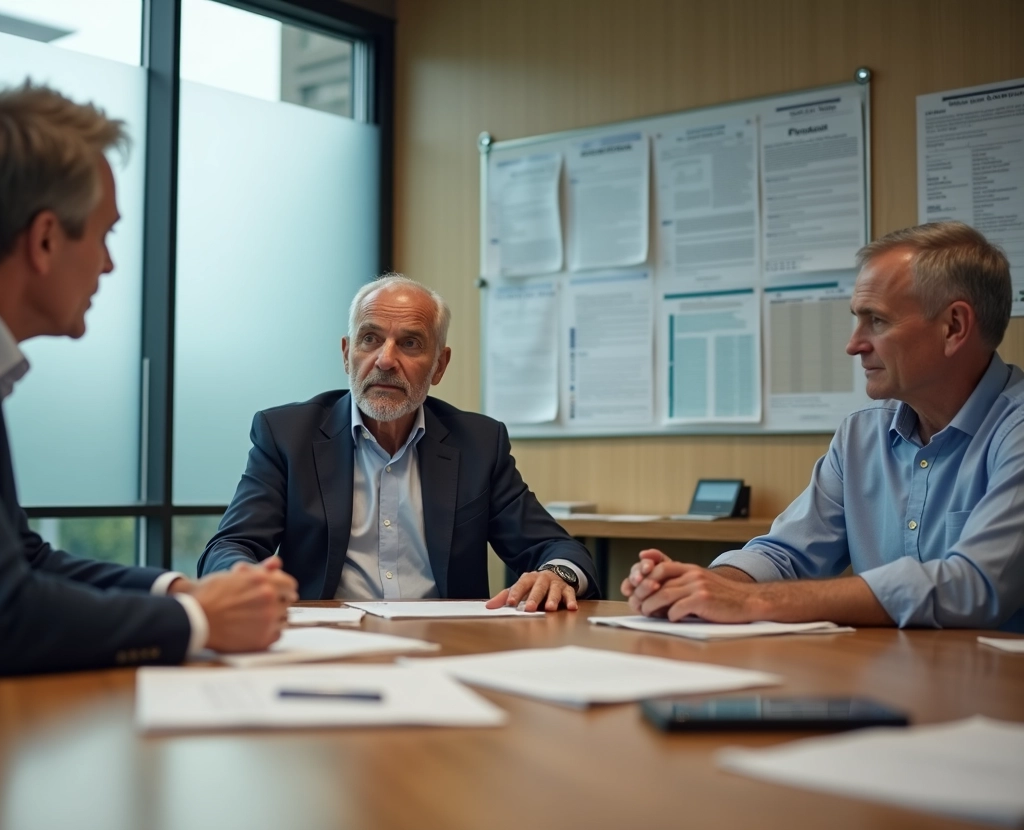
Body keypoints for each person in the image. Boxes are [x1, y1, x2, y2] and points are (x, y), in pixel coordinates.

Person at [0, 82, 296, 826]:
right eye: (102, 235)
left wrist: (177, 593)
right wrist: (199, 625)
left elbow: (19, 558)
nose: (106, 265)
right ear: (42, 240)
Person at [623, 222, 1024, 632]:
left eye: (877, 321)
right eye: (857, 319)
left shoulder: (1016, 429)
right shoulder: (861, 436)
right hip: (888, 680)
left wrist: (752, 599)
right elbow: (785, 555)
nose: (854, 344)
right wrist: (702, 587)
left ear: (954, 326)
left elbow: (974, 585)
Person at [198, 274, 597, 610]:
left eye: (410, 343)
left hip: (447, 648)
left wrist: (555, 574)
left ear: (439, 365)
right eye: (370, 339)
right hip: (326, 647)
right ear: (346, 353)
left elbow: (557, 549)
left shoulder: (478, 443)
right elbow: (231, 545)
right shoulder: (287, 435)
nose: (386, 360)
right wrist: (244, 579)